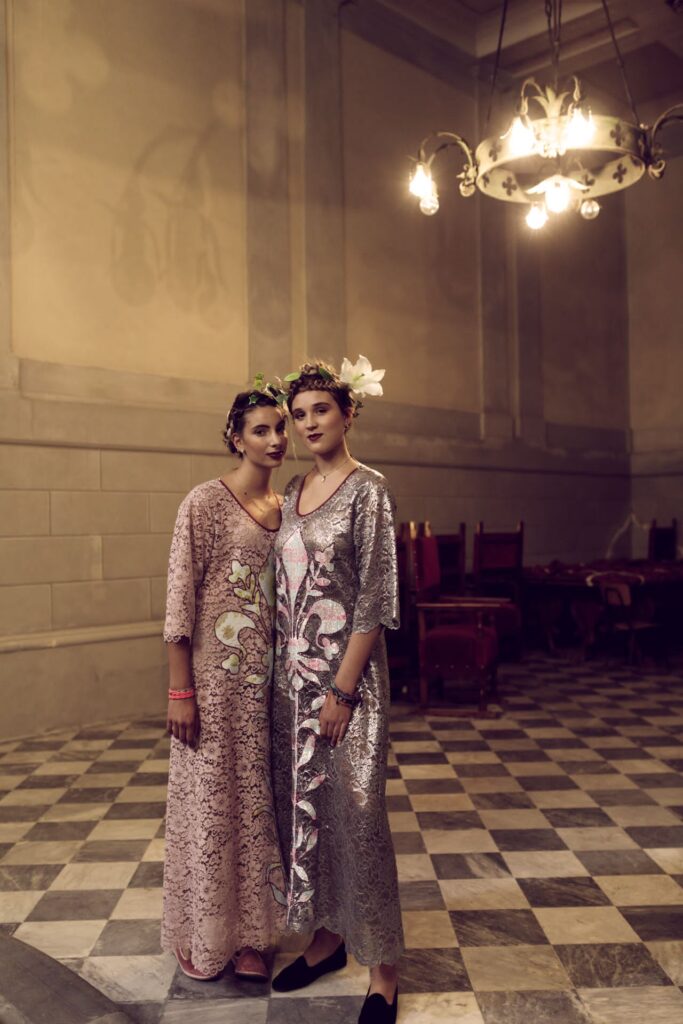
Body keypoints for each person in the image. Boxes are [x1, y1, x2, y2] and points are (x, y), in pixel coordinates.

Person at [271, 359, 403, 1024]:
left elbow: (375, 600)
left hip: (348, 689)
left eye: (320, 409)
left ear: (348, 414)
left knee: (359, 817)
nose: (308, 423)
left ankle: (383, 973)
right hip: (291, 687)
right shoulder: (294, 489)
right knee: (308, 815)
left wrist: (343, 693)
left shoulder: (368, 490)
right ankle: (325, 941)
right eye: (299, 414)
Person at [161, 383, 289, 981]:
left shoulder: (290, 509)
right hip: (214, 688)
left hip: (271, 688)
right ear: (236, 438)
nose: (275, 439)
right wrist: (180, 691)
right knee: (213, 809)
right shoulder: (205, 503)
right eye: (261, 430)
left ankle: (254, 938)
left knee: (259, 810)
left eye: (280, 428)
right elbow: (179, 599)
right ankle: (206, 934)